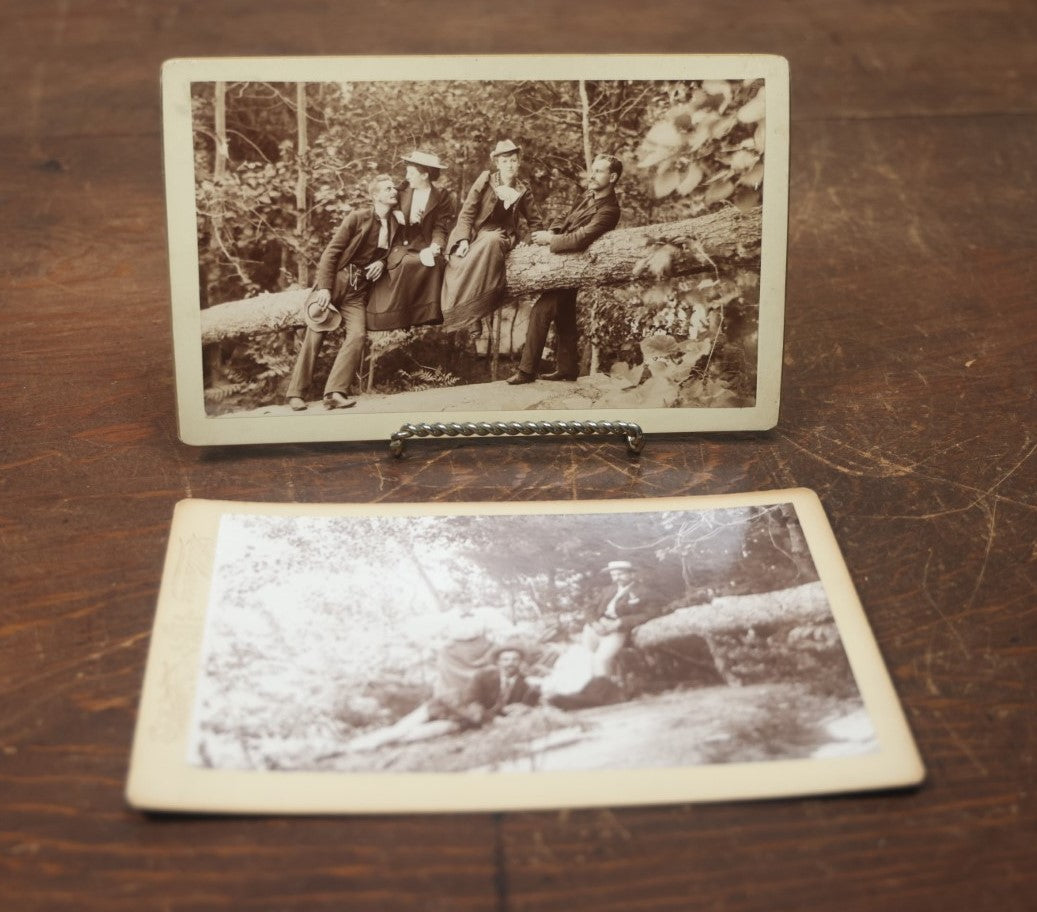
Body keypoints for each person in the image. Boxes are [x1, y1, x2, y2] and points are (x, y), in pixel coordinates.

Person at [506, 154, 623, 385]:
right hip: (563, 263)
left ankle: (527, 371)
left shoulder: (610, 210)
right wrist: (553, 231)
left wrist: (551, 240)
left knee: (542, 310)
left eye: (599, 171)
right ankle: (568, 369)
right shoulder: (588, 195)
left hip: (576, 264)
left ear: (612, 177)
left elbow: (581, 238)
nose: (592, 175)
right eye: (593, 169)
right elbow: (565, 218)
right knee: (565, 313)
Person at [285, 174, 399, 410]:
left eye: (394, 187)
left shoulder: (396, 224)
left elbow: (395, 252)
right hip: (337, 281)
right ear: (375, 195)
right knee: (316, 332)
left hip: (358, 291)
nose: (394, 191)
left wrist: (383, 263)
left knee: (357, 335)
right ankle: (296, 393)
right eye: (388, 188)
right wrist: (325, 288)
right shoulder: (358, 217)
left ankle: (335, 392)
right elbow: (330, 253)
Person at [441, 140, 541, 331]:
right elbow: (467, 212)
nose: (510, 165)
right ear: (497, 163)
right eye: (505, 161)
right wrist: (462, 239)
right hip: (477, 234)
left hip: (503, 234)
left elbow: (536, 223)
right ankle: (467, 316)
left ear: (519, 162)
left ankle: (476, 312)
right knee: (458, 262)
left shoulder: (522, 189)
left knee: (491, 242)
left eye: (513, 160)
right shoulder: (486, 180)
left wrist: (527, 242)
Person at [365, 150, 455, 331]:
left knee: (435, 264)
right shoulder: (403, 189)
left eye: (411, 173)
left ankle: (427, 315)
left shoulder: (441, 196)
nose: (407, 176)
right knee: (407, 264)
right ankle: (399, 318)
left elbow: (440, 226)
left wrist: (436, 245)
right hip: (402, 242)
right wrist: (397, 210)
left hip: (425, 242)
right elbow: (386, 198)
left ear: (425, 174)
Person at [581, 560, 659, 678]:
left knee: (601, 659)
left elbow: (651, 614)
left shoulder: (643, 592)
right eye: (614, 575)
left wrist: (620, 622)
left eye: (621, 574)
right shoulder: (607, 590)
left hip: (618, 631)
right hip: (596, 628)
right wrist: (594, 623)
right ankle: (589, 689)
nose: (617, 578)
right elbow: (589, 608)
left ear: (631, 574)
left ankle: (605, 692)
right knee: (586, 658)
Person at [463, 642, 540, 724]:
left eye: (515, 659)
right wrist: (492, 719)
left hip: (513, 723)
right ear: (498, 662)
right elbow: (471, 701)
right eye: (505, 659)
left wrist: (526, 708)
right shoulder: (483, 677)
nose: (510, 663)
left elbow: (535, 705)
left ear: (521, 661)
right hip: (482, 721)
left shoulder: (527, 682)